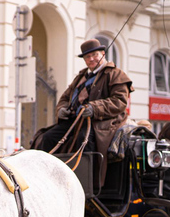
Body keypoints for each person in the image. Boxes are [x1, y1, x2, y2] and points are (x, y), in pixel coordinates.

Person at [35, 38, 133, 183]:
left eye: (95, 55)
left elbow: (120, 102)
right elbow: (64, 98)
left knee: (84, 140)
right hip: (75, 120)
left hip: (102, 122)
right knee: (48, 137)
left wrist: (95, 108)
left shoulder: (115, 74)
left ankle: (86, 183)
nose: (91, 59)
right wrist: (62, 110)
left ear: (103, 54)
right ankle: (45, 177)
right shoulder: (81, 77)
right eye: (87, 57)